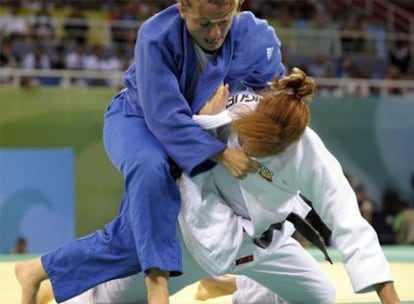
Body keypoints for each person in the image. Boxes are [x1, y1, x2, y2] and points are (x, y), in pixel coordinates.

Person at [37, 68, 400, 304]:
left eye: (262, 148)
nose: (248, 148)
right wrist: (203, 122)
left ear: (288, 146)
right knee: (111, 302)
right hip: (198, 239)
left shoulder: (312, 158)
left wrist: (389, 297)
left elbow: (350, 224)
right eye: (247, 138)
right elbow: (175, 142)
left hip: (263, 245)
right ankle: (63, 292)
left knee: (320, 295)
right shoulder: (235, 112)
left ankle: (237, 287)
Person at [15, 1, 285, 303]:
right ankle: (158, 288)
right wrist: (221, 153)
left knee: (138, 233)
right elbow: (165, 117)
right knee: (149, 167)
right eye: (204, 23)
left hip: (205, 133)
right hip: (138, 119)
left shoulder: (258, 37)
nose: (215, 33)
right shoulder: (156, 35)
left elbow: (272, 96)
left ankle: (39, 271)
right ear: (183, 9)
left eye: (224, 21)